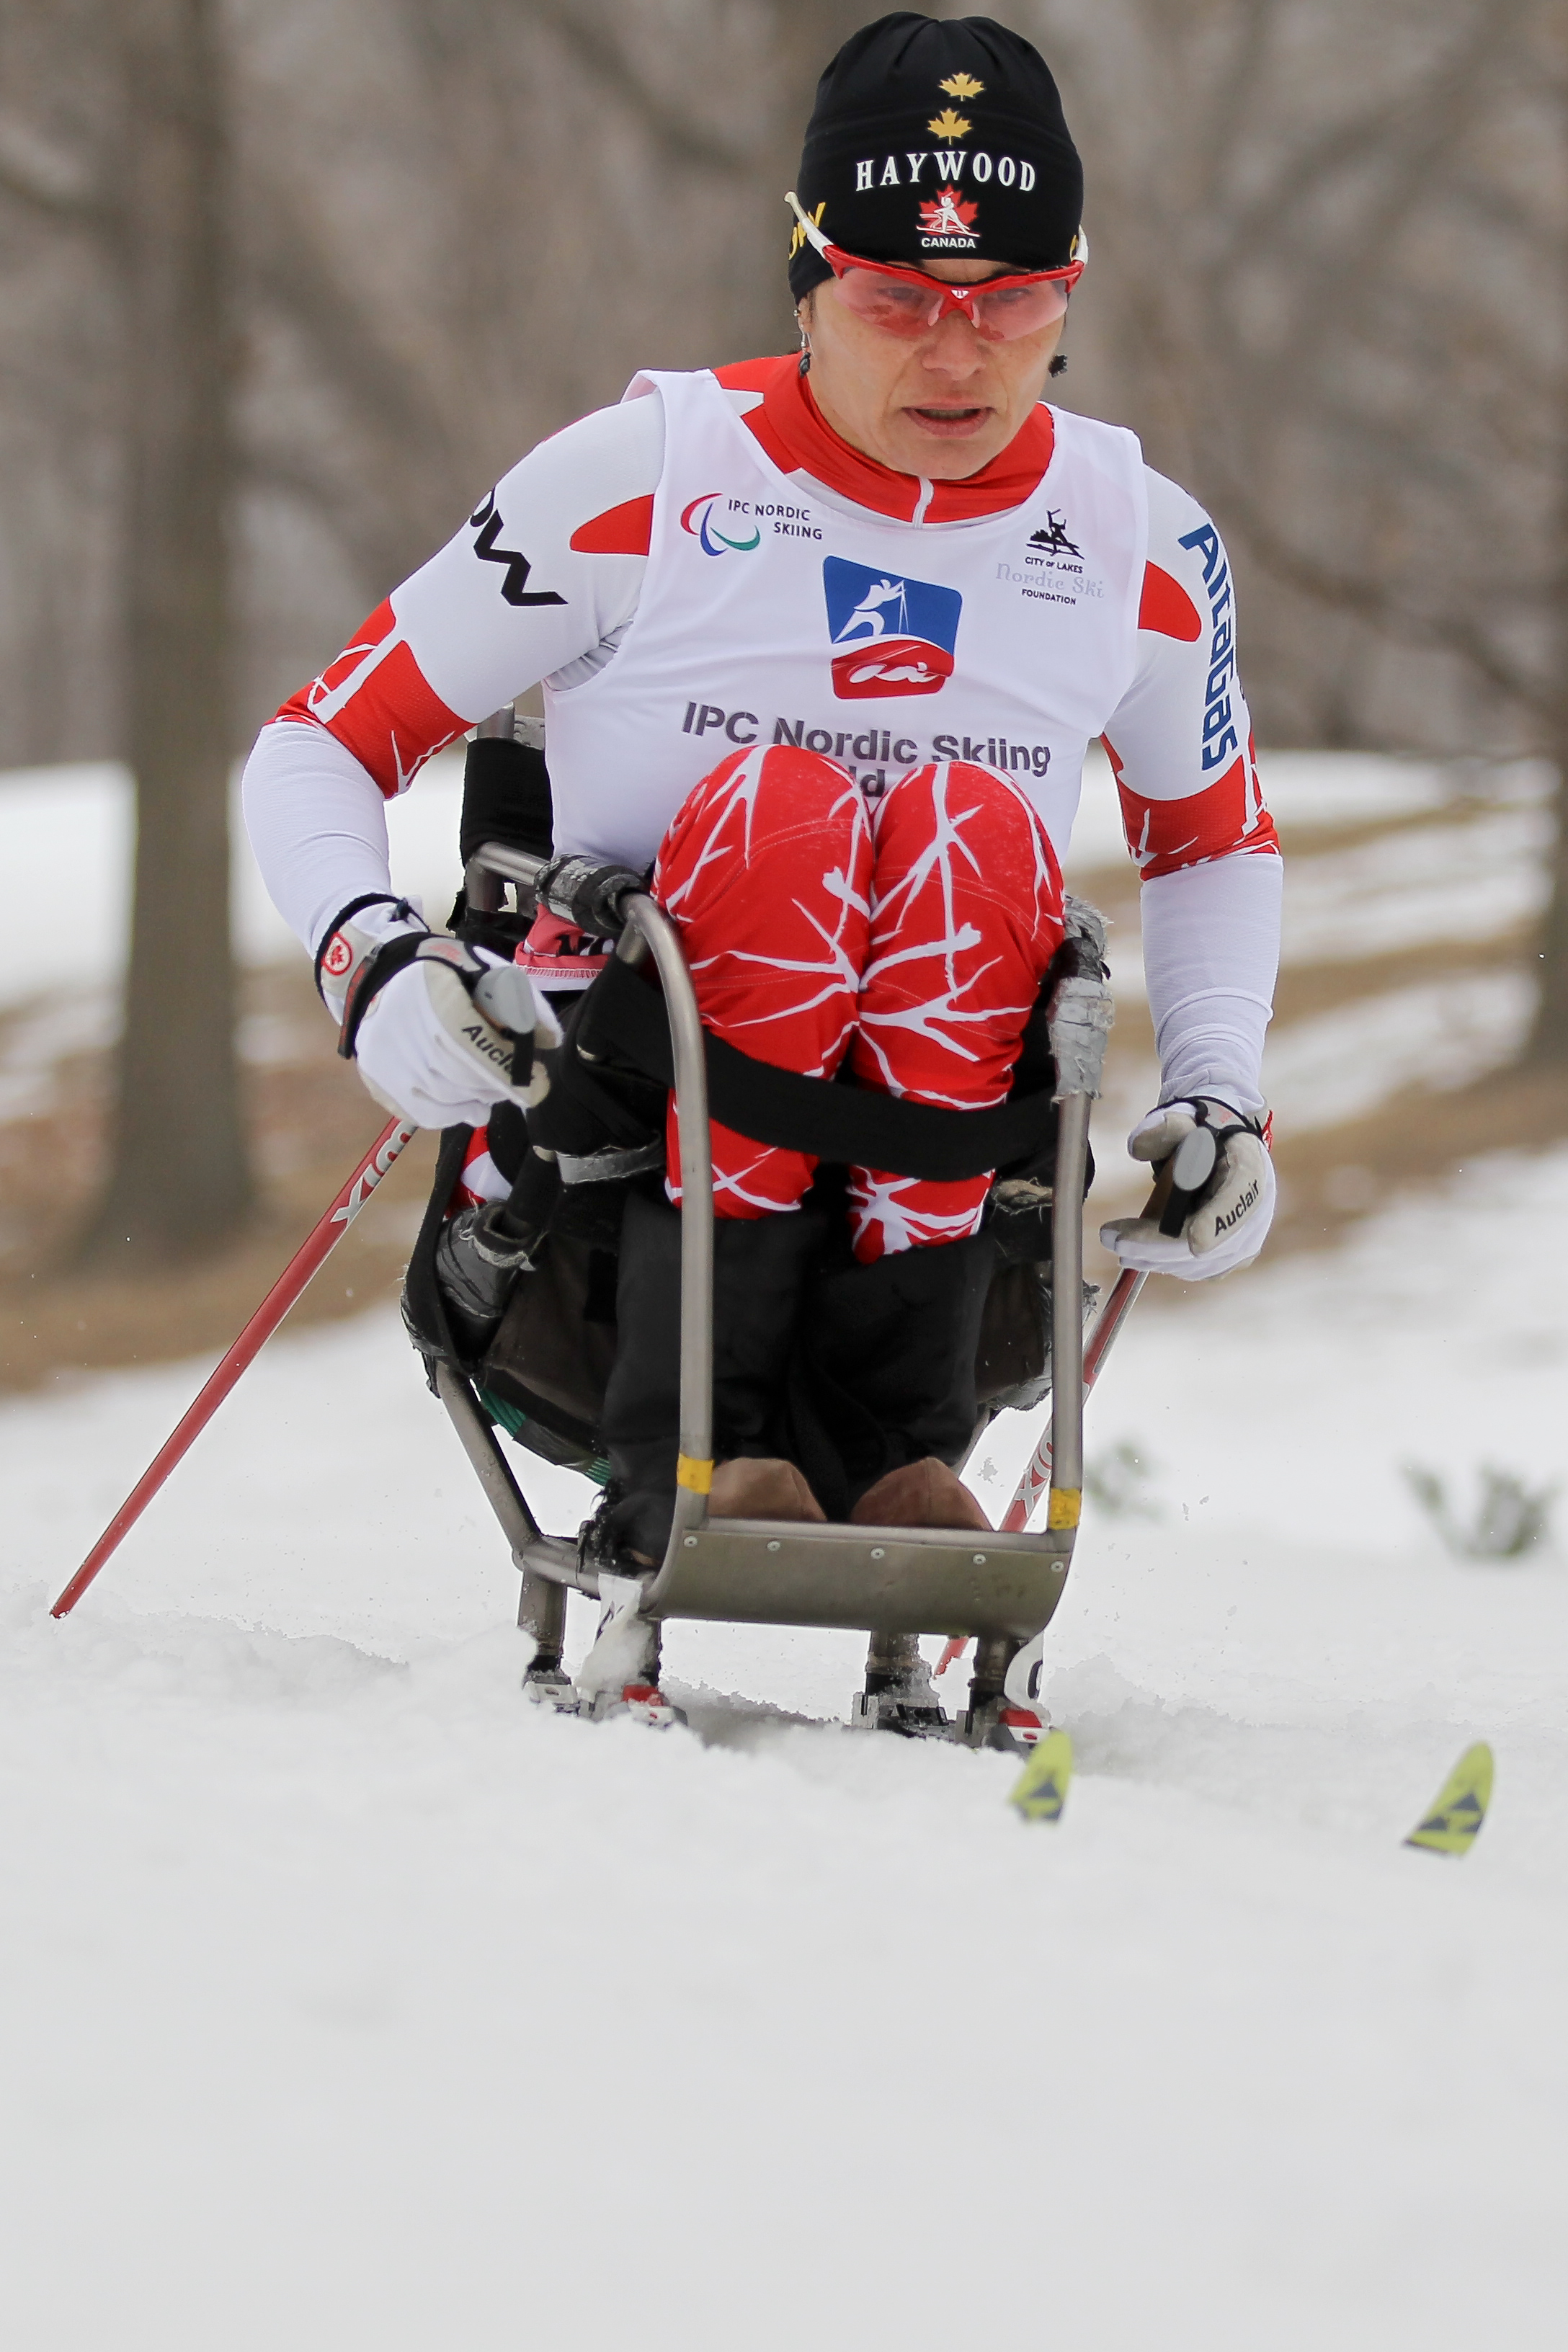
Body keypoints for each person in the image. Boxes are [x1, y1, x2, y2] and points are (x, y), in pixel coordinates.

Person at [243, 12, 1280, 1721]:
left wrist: (1224, 1094)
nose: (955, 356)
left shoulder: (1137, 540)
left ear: (1069, 293)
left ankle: (886, 1454)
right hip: (593, 1213)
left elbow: (1216, 835)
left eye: (1008, 299)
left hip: (951, 1239)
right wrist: (371, 955)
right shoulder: (642, 478)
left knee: (966, 835)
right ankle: (694, 1443)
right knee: (781, 808)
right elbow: (318, 740)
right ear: (802, 279)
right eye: (896, 298)